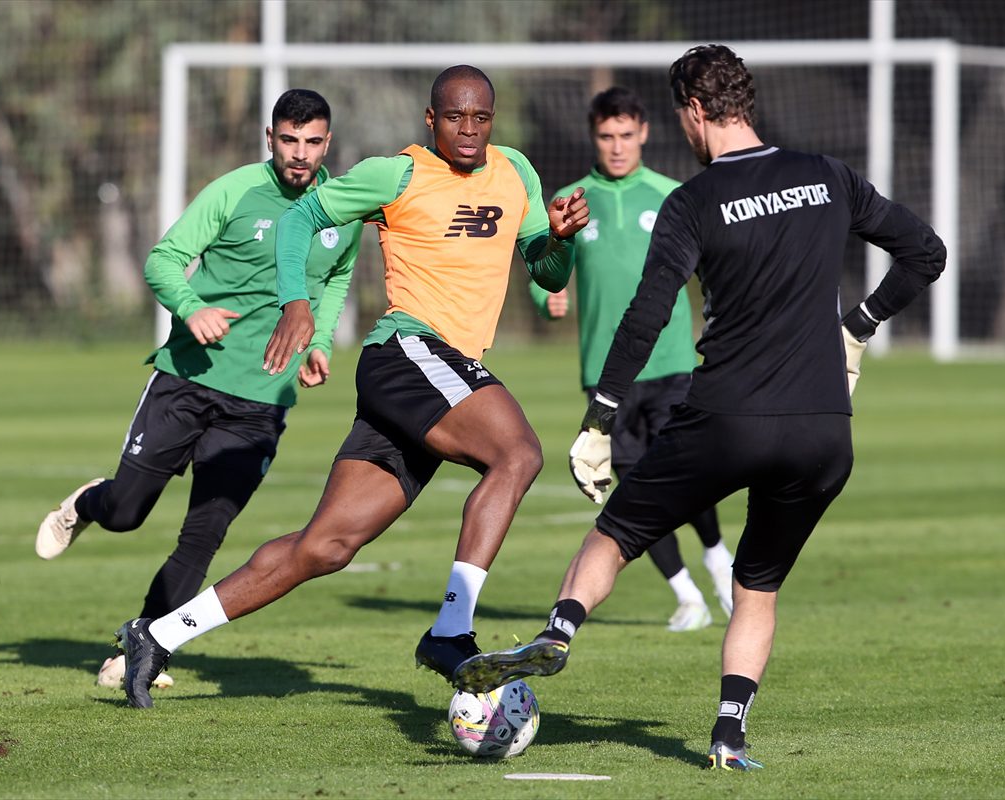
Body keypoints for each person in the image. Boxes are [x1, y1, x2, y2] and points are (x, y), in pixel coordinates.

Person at [454, 44, 945, 772]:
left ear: (693, 110)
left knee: (614, 533)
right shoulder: (827, 176)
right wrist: (860, 326)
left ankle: (558, 632)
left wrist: (600, 418)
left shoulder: (693, 201)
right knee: (758, 587)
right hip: (822, 433)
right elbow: (925, 253)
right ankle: (728, 735)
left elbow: (648, 314)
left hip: (725, 420)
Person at [113, 65, 590, 709]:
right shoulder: (396, 173)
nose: (469, 131)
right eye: (455, 118)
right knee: (519, 453)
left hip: (435, 376)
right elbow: (295, 223)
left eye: (480, 119)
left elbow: (548, 274)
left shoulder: (517, 171)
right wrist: (296, 303)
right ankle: (452, 631)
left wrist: (561, 240)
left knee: (326, 546)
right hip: (407, 352)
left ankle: (157, 635)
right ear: (431, 120)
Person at [35, 89, 360, 690]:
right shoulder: (234, 191)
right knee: (127, 513)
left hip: (261, 404)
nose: (300, 154)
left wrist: (318, 343)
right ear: (270, 139)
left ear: (327, 144)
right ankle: (87, 504)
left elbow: (333, 283)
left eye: (312, 142)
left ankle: (145, 646)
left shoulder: (341, 208)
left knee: (203, 536)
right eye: (288, 141)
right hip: (187, 380)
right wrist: (192, 307)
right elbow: (163, 259)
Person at [529, 86, 733, 633]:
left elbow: (714, 270)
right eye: (605, 136)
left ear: (642, 133)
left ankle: (717, 557)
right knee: (635, 488)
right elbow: (542, 269)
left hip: (669, 365)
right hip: (605, 373)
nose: (616, 146)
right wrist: (546, 300)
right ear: (592, 137)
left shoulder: (673, 195)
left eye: (625, 135)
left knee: (683, 475)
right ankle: (686, 595)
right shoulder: (571, 200)